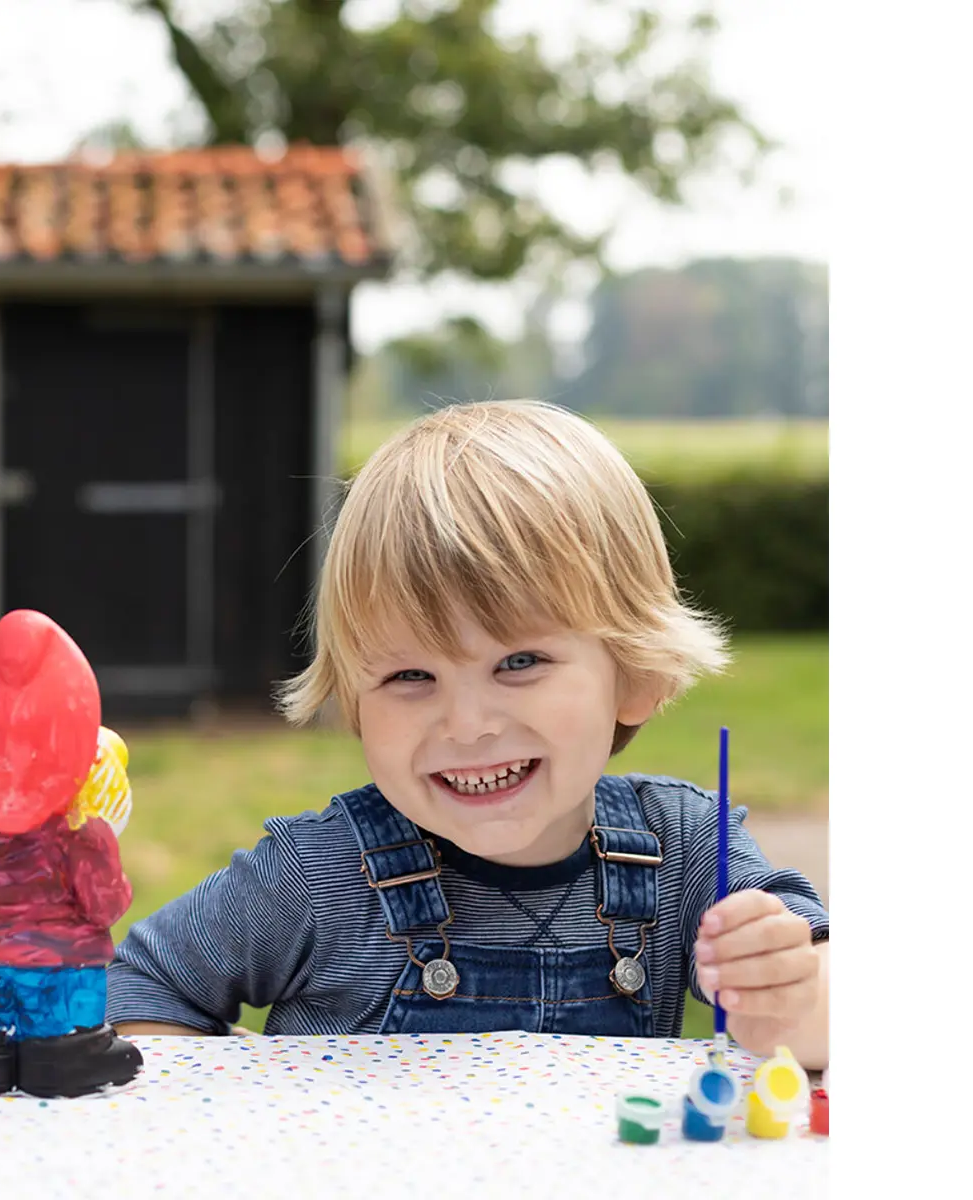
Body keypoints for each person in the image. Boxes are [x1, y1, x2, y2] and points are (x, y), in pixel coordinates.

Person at [105, 401, 829, 1068]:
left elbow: (834, 1013)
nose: (467, 724)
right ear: (354, 702)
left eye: (519, 662)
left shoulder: (688, 852)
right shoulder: (317, 876)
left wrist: (786, 997)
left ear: (638, 673)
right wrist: (253, 1087)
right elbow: (134, 987)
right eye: (410, 676)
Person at [0, 609, 143, 1097]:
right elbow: (105, 906)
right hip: (61, 966)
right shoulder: (80, 835)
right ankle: (63, 1051)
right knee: (61, 1013)